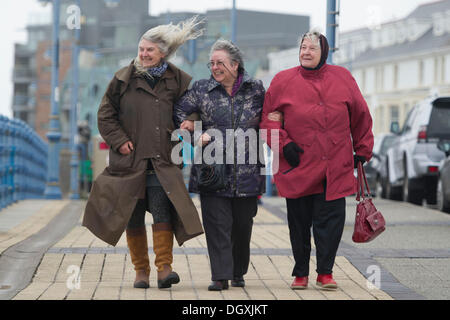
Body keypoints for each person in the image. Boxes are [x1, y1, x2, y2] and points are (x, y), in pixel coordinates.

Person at [82, 17, 205, 289]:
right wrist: (119, 140)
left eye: (149, 50)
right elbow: (105, 115)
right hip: (130, 162)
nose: (144, 54)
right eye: (141, 48)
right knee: (133, 216)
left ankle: (164, 269)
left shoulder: (179, 80)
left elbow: (194, 108)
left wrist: (190, 121)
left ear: (163, 52)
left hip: (163, 161)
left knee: (163, 213)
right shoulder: (122, 80)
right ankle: (141, 271)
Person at [260, 30, 374, 290]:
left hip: (334, 166)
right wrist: (284, 145)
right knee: (299, 224)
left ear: (324, 52)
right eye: (303, 47)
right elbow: (268, 119)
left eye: (312, 48)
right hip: (297, 165)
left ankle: (325, 273)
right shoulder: (282, 81)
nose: (306, 52)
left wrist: (363, 149)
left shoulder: (342, 78)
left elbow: (361, 115)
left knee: (330, 223)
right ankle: (300, 273)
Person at [174, 39, 266, 291]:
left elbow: (271, 116)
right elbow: (179, 112)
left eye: (220, 63)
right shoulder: (202, 89)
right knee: (216, 225)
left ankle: (237, 271)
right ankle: (220, 275)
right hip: (212, 168)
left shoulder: (256, 89)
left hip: (247, 171)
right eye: (212, 63)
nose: (215, 67)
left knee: (242, 225)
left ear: (235, 65)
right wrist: (195, 131)